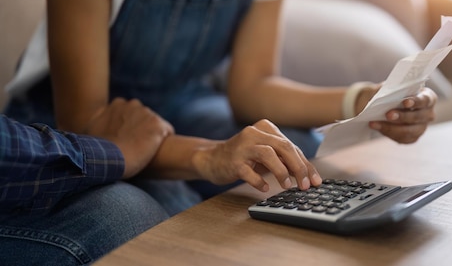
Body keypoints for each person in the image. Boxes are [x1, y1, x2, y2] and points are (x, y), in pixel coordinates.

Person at [4, 0, 436, 205]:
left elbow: (252, 88)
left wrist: (366, 102)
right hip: (80, 126)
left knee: (299, 153)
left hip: (184, 101)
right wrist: (216, 154)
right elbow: (85, 122)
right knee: (165, 205)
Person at [0, 97, 321, 265]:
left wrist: (361, 98)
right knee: (128, 214)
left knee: (293, 143)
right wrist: (119, 152)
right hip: (69, 133)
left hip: (175, 107)